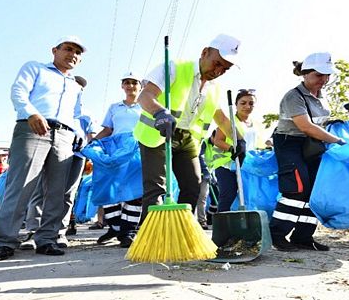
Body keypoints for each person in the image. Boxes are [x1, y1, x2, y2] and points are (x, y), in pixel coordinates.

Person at [0, 36, 90, 261]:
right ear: (54, 50)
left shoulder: (76, 86)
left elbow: (76, 114)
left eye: (77, 52)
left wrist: (80, 134)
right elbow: (18, 92)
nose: (72, 54)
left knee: (57, 190)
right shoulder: (35, 68)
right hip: (33, 127)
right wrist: (31, 113)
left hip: (64, 136)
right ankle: (6, 242)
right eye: (67, 49)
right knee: (22, 185)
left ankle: (46, 239)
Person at [133, 34, 243, 228]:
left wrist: (238, 140)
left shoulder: (214, 88)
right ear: (205, 53)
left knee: (193, 186)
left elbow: (222, 119)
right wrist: (159, 112)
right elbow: (145, 95)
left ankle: (180, 231)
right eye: (217, 63)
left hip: (188, 140)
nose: (218, 71)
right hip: (159, 133)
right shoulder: (174, 68)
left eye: (225, 69)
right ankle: (150, 234)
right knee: (157, 188)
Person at [269, 52, 346, 252]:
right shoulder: (293, 96)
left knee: (315, 191)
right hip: (290, 144)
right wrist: (337, 141)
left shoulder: (320, 97)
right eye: (319, 75)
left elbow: (318, 124)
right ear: (305, 74)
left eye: (327, 75)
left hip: (312, 147)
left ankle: (303, 237)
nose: (324, 80)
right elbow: (306, 126)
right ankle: (276, 235)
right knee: (297, 189)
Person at [20, 75, 94, 249]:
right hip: (49, 150)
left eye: (81, 87)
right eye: (74, 84)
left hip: (76, 156)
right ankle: (33, 231)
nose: (78, 88)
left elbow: (92, 135)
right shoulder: (53, 107)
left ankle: (59, 231)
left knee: (67, 194)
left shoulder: (86, 114)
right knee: (39, 191)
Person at [92, 71, 144, 248]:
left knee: (135, 189)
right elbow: (108, 129)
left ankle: (128, 231)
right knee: (110, 187)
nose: (130, 86)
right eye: (127, 82)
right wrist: (93, 142)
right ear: (122, 86)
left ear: (140, 85)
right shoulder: (114, 107)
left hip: (137, 149)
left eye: (134, 82)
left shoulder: (144, 106)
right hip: (116, 148)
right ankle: (114, 227)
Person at [205, 89, 257, 212]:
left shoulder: (254, 124)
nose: (247, 106)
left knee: (247, 196)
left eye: (251, 103)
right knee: (228, 195)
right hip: (226, 165)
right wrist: (232, 149)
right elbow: (217, 140)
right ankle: (221, 224)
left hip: (246, 165)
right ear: (236, 104)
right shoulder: (229, 122)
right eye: (243, 103)